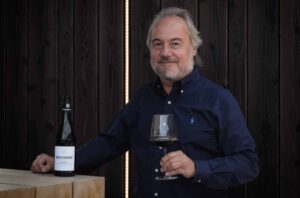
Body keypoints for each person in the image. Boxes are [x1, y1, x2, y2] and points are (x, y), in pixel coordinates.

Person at [31, 7, 259, 198]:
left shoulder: (218, 100)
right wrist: (60, 162)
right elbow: (110, 143)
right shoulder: (143, 99)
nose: (165, 52)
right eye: (158, 44)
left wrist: (196, 168)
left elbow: (248, 164)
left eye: (175, 43)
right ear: (150, 50)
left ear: (194, 48)